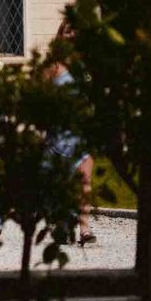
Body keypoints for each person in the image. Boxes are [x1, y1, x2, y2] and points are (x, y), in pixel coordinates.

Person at [46, 19, 96, 246]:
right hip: (58, 130)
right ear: (60, 36)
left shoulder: (88, 64)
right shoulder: (53, 66)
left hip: (83, 130)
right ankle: (62, 224)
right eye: (67, 31)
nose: (72, 35)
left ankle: (85, 228)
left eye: (75, 31)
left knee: (84, 180)